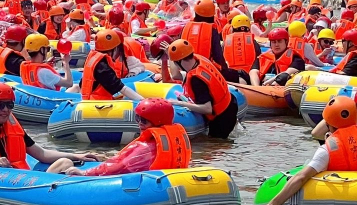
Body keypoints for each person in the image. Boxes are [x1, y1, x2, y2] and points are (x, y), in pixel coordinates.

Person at [0, 82, 96, 171]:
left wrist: (77, 155)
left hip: (21, 178)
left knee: (65, 162)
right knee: (65, 164)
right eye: (0, 105)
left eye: (9, 105)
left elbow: (42, 154)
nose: (5, 110)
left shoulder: (14, 129)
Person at [60, 99, 192, 176]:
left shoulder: (145, 148)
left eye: (144, 120)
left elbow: (117, 167)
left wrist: (84, 173)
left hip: (143, 185)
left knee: (63, 165)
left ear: (157, 122)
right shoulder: (167, 142)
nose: (139, 123)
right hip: (164, 180)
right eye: (137, 118)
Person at [167, 38, 238, 139]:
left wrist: (179, 103)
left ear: (179, 61)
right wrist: (170, 55)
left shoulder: (196, 80)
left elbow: (207, 109)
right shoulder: (199, 59)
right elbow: (175, 75)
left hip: (223, 117)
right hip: (230, 102)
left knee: (214, 144)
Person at [79, 30, 143, 102]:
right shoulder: (102, 67)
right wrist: (142, 100)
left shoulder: (94, 59)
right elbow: (120, 88)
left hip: (88, 101)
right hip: (97, 104)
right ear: (115, 49)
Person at [181, 0, 229, 71]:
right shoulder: (212, 30)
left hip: (185, 68)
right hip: (204, 69)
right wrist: (226, 69)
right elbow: (218, 57)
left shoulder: (186, 27)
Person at [223, 13, 258, 86]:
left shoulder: (225, 42)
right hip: (250, 76)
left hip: (232, 76)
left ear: (232, 28)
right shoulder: (253, 42)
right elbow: (258, 59)